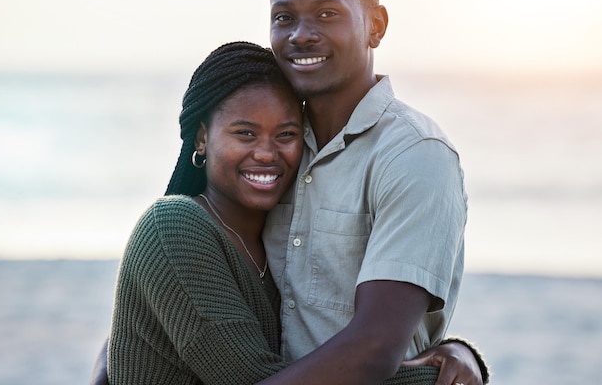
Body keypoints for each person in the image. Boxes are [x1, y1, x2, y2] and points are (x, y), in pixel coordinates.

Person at [99, 41, 486, 385]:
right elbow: (257, 378)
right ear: (203, 137)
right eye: (245, 133)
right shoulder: (175, 228)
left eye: (285, 135)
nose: (267, 153)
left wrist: (456, 350)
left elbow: (304, 363)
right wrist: (437, 376)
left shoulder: (276, 239)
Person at [257, 0, 490, 385]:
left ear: (375, 26)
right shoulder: (269, 149)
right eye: (284, 18)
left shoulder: (415, 155)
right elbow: (168, 262)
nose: (301, 34)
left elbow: (373, 350)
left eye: (327, 14)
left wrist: (462, 352)